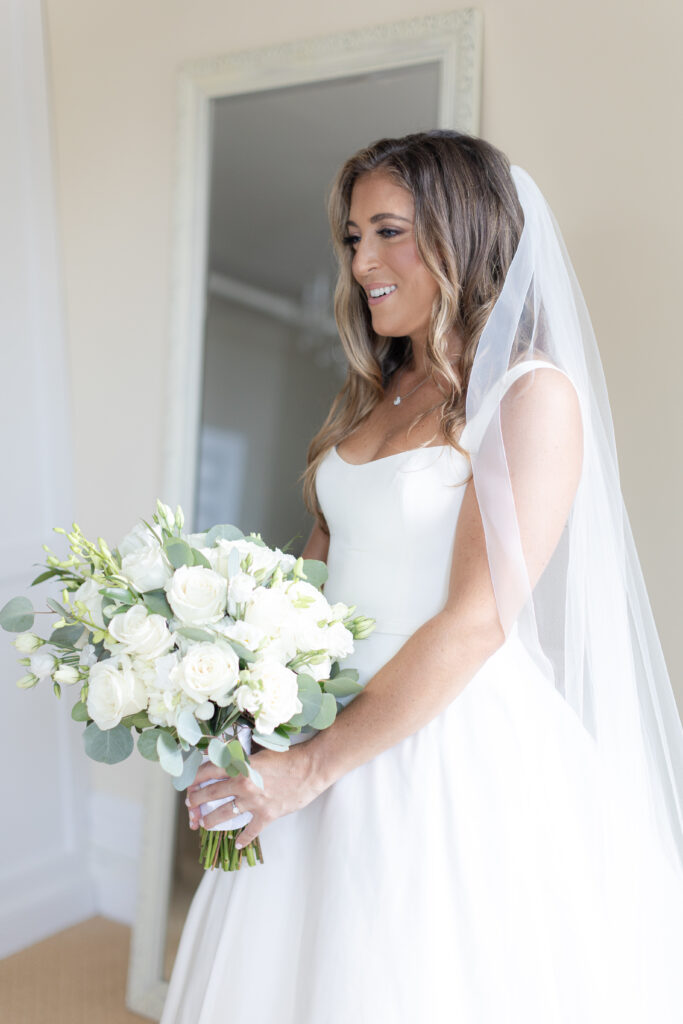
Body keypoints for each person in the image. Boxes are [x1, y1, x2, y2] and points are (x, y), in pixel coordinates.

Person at [162, 131, 683, 1023]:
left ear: (462, 234)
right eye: (354, 236)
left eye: (388, 231)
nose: (362, 260)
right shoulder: (378, 390)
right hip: (323, 709)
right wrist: (244, 707)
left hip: (444, 733)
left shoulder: (530, 394)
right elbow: (316, 570)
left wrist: (313, 767)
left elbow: (477, 619)